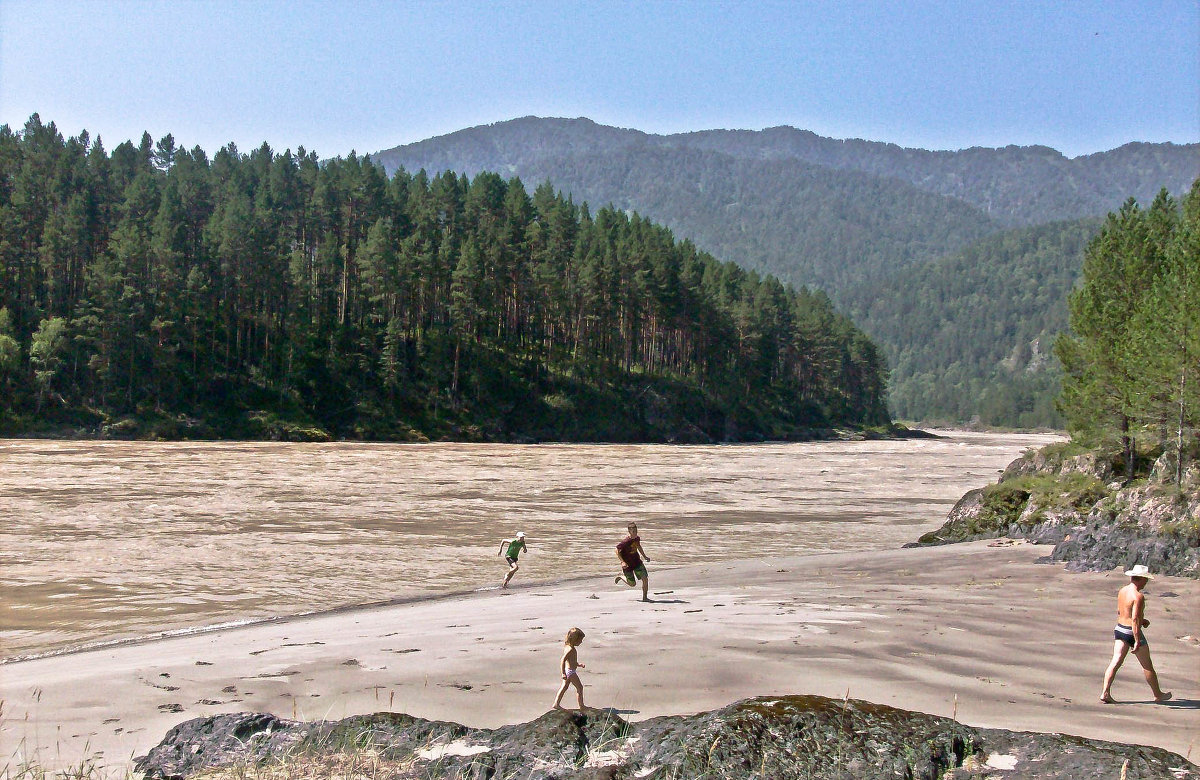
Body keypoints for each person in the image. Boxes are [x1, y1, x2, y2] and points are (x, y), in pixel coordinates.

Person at [1100, 564, 1172, 704]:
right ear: (1141, 579)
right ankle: (1158, 695)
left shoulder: (1123, 591)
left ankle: (1105, 692)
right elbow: (1134, 619)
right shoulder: (1138, 596)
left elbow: (1122, 612)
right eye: (1146, 580)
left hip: (1120, 628)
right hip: (1131, 632)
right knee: (1147, 665)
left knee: (1115, 662)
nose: (1147, 582)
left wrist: (1142, 620)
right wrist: (1137, 640)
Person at [614, 522, 651, 601]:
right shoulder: (626, 541)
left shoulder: (637, 538)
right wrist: (622, 562)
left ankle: (645, 598)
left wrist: (644, 556)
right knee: (632, 584)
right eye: (633, 531)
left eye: (636, 531)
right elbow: (616, 550)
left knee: (645, 578)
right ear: (629, 531)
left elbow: (638, 546)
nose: (635, 533)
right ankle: (621, 576)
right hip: (628, 565)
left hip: (637, 562)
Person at [553, 627, 586, 710]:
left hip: (569, 670)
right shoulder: (570, 649)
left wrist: (579, 664)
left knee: (564, 687)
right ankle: (581, 706)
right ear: (574, 640)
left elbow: (571, 661)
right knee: (580, 687)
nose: (581, 642)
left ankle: (556, 704)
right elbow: (563, 660)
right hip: (570, 672)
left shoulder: (567, 647)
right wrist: (563, 673)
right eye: (580, 640)